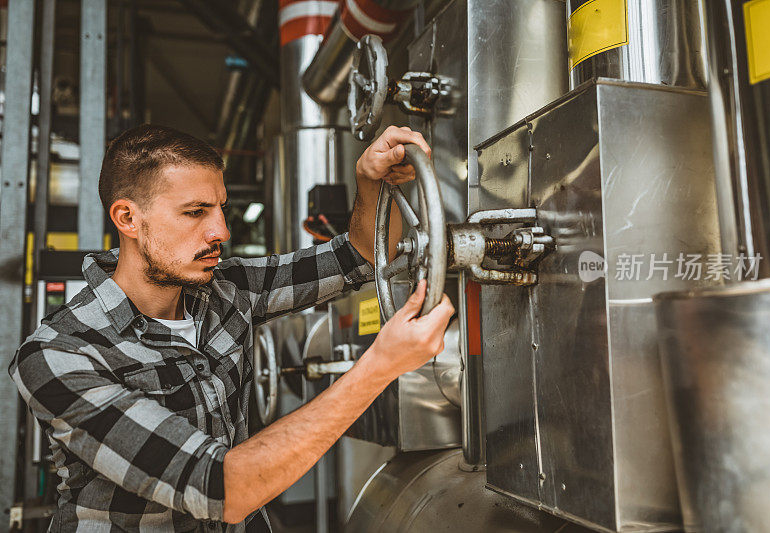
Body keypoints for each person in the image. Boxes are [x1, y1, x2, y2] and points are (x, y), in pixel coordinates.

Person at [9, 124, 454, 531]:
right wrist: (378, 366)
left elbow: (360, 257)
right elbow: (218, 487)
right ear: (127, 219)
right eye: (195, 212)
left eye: (221, 208)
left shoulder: (224, 290)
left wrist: (370, 182)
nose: (220, 230)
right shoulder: (58, 355)